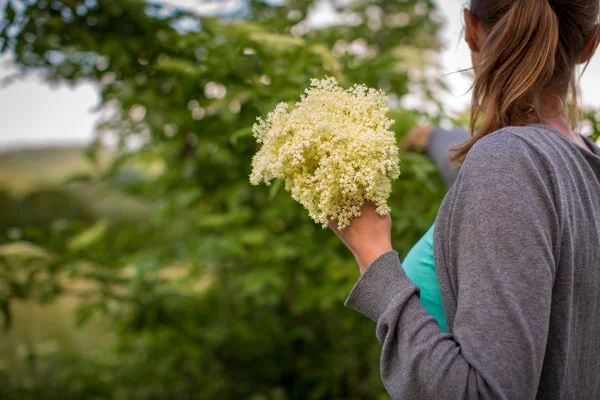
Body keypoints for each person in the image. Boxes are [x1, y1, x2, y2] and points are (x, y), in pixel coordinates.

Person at [328, 0, 600, 398]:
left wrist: (373, 254)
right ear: (590, 44)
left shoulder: (509, 163)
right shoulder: (584, 166)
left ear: (470, 29)